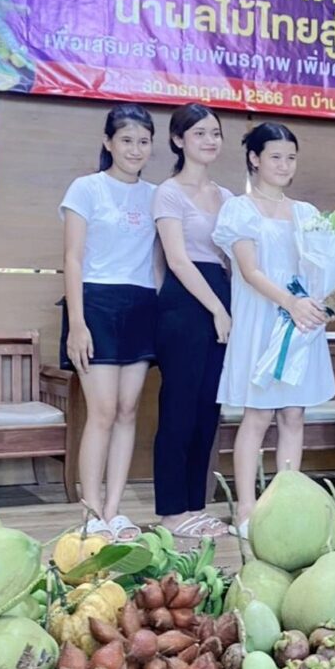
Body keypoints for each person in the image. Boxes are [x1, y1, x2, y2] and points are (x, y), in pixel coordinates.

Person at [213, 123, 335, 536]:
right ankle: (247, 511)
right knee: (258, 414)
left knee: (294, 415)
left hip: (300, 325)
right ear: (254, 159)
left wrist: (323, 301)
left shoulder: (307, 214)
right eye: (276, 157)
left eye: (291, 157)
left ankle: (284, 508)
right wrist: (290, 302)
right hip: (263, 321)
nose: (284, 165)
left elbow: (321, 270)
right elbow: (250, 272)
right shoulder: (239, 210)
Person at [59, 103, 158, 541]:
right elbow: (73, 259)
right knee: (100, 411)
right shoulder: (86, 188)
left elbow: (159, 261)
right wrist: (78, 323)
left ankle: (115, 510)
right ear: (108, 142)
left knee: (127, 409)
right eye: (126, 140)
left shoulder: (156, 195)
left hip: (141, 305)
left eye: (143, 141)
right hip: (96, 304)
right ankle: (92, 512)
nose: (135, 149)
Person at [152, 103, 233, 539]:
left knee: (207, 409)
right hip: (185, 303)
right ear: (178, 139)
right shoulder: (168, 192)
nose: (209, 140)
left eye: (215, 133)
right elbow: (178, 259)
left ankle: (195, 508)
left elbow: (236, 256)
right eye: (199, 133)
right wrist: (217, 309)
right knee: (179, 408)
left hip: (221, 292)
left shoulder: (228, 197)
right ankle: (171, 511)